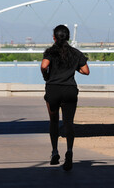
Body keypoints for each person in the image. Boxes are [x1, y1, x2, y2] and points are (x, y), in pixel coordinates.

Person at [41, 24, 90, 171]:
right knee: (69, 123)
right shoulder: (75, 53)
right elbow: (86, 71)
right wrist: (73, 68)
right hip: (70, 90)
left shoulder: (50, 52)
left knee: (54, 121)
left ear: (54, 37)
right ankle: (69, 152)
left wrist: (46, 75)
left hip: (53, 89)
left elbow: (44, 66)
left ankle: (55, 152)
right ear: (68, 37)